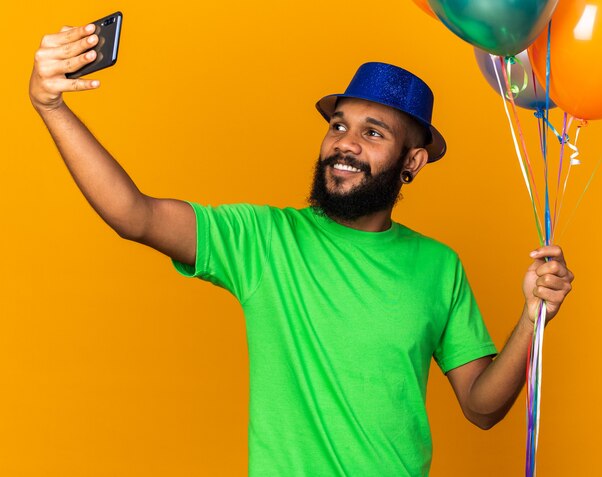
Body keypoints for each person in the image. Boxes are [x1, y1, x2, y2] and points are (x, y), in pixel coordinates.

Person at [29, 23, 574, 477]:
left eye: (373, 133)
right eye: (339, 125)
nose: (345, 143)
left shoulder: (438, 266)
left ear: (412, 163)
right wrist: (51, 106)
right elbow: (134, 214)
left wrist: (533, 318)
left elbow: (482, 407)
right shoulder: (264, 241)